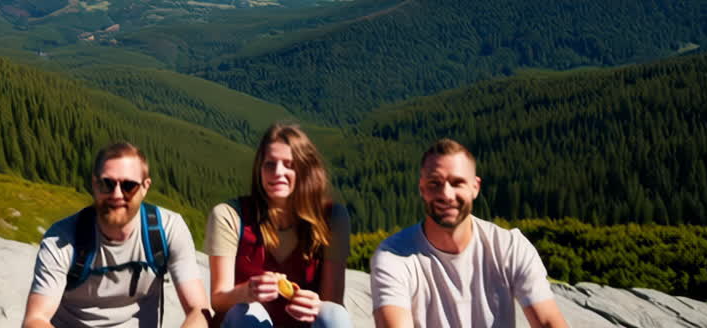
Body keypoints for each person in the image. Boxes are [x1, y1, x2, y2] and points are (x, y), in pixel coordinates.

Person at [369, 139, 569, 328]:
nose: (446, 195)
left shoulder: (510, 247)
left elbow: (548, 321)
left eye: (457, 183)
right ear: (422, 188)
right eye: (434, 184)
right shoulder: (393, 256)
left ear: (475, 187)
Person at [23, 142, 209, 328]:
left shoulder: (167, 229)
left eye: (129, 186)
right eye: (107, 184)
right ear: (94, 184)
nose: (117, 194)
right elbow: (36, 319)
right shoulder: (61, 239)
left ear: (145, 187)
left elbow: (200, 310)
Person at [205, 122, 353, 328]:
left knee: (335, 314)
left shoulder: (333, 218)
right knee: (250, 312)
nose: (277, 172)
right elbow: (218, 301)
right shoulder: (230, 216)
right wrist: (247, 292)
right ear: (259, 169)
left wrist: (315, 305)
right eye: (269, 164)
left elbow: (333, 301)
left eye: (289, 164)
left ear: (305, 170)